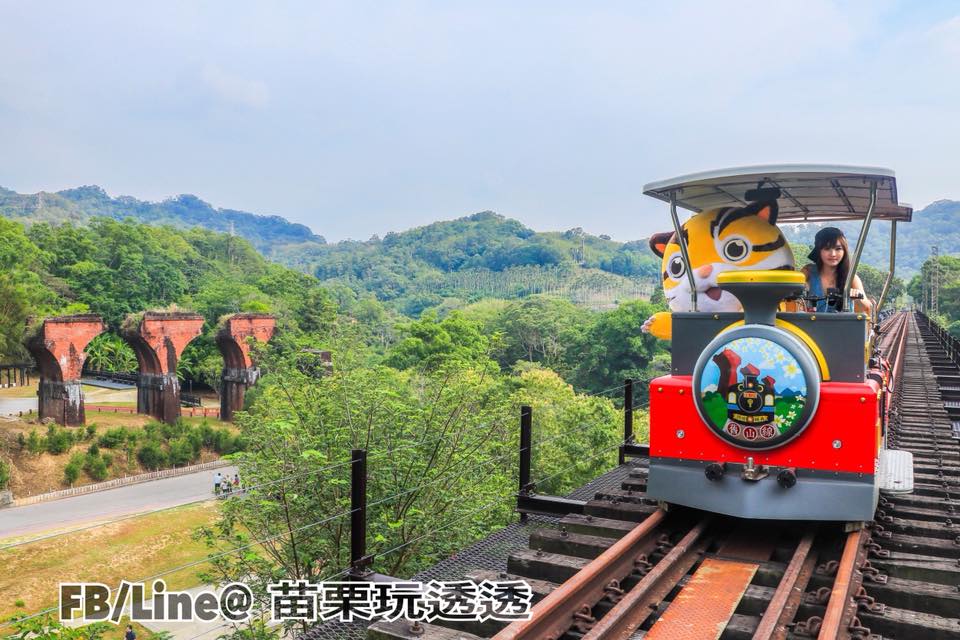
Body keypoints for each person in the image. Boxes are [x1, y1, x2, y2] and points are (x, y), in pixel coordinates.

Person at [802, 227, 872, 315]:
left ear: (844, 251)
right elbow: (793, 286)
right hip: (812, 326)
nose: (833, 254)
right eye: (827, 249)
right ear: (818, 251)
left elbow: (867, 307)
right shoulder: (808, 271)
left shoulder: (851, 278)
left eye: (838, 249)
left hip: (844, 327)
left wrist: (858, 299)